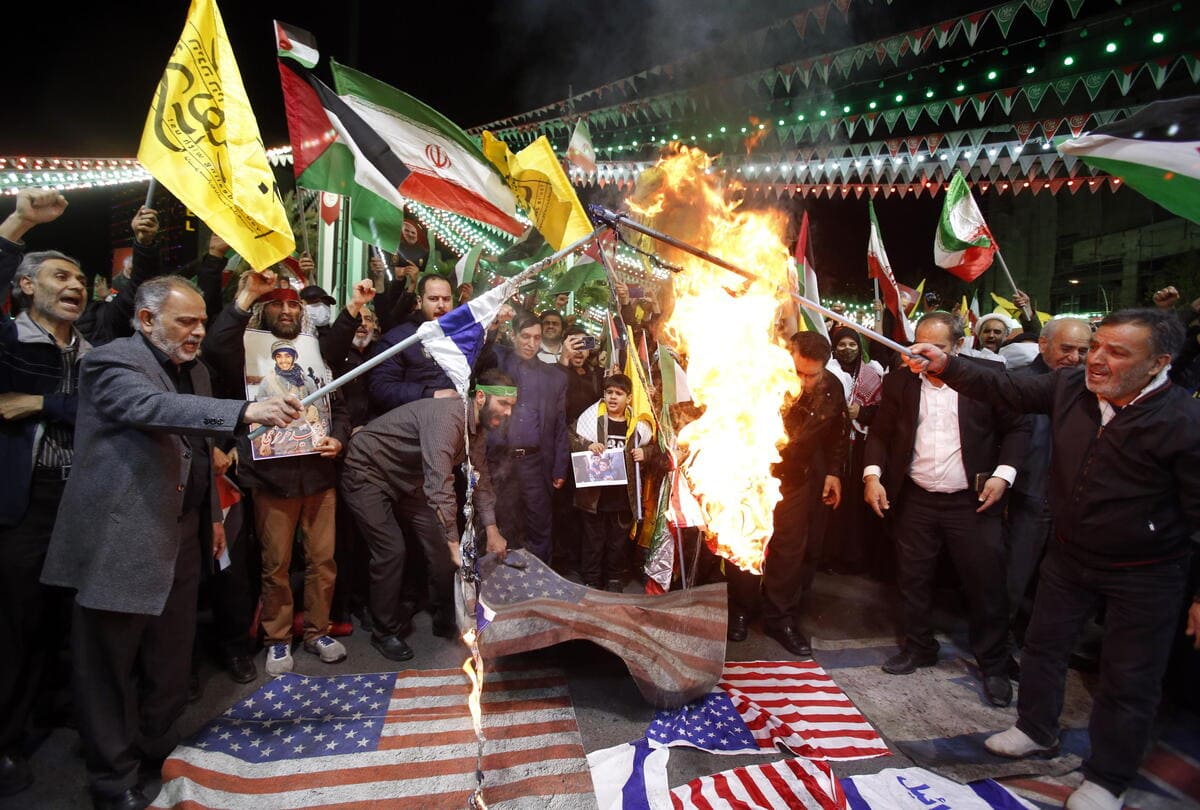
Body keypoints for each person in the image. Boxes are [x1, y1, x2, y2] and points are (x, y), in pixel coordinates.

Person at [904, 308, 1200, 810]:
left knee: (1129, 678)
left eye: (1117, 352)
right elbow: (1006, 390)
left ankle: (1108, 777)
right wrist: (945, 365)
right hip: (1068, 555)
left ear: (1158, 364)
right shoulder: (1071, 388)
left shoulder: (1184, 422)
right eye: (1098, 345)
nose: (1097, 360)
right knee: (1042, 647)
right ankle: (1036, 729)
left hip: (1145, 572)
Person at [40, 276, 301, 810]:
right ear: (146, 320)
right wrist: (242, 411)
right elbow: (147, 407)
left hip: (182, 533)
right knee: (108, 666)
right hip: (121, 535)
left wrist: (208, 519)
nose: (197, 331)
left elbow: (199, 456)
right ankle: (111, 780)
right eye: (186, 321)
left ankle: (152, 746)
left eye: (202, 321)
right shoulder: (111, 362)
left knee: (171, 659)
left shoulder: (198, 371)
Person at [864, 311, 1030, 708]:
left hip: (971, 501)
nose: (923, 355)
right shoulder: (900, 380)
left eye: (936, 348)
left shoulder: (984, 377)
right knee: (913, 578)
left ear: (958, 346)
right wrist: (872, 476)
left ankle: (994, 662)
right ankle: (919, 647)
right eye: (918, 345)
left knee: (985, 583)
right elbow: (881, 433)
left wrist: (1003, 475)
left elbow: (1019, 428)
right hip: (917, 497)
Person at [202, 269, 353, 677]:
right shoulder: (245, 351)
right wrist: (244, 298)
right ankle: (277, 639)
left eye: (293, 304)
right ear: (264, 310)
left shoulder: (316, 354)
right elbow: (214, 347)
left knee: (324, 561)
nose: (286, 310)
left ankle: (318, 631)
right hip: (271, 478)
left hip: (319, 475)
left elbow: (339, 408)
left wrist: (338, 440)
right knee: (276, 565)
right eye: (278, 303)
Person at [0, 189, 85, 798]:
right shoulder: (7, 341)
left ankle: (48, 709)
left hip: (79, 502)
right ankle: (5, 740)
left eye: (81, 277)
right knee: (13, 624)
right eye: (60, 274)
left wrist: (39, 404)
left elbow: (104, 409)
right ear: (26, 285)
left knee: (64, 617)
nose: (75, 284)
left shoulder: (93, 349)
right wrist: (21, 222)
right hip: (23, 503)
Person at [340, 369, 515, 660]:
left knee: (440, 549)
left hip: (408, 479)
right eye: (503, 404)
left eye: (512, 406)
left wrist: (492, 528)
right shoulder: (448, 418)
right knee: (391, 550)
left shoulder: (479, 430)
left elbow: (481, 479)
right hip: (369, 470)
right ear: (481, 397)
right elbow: (439, 483)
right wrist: (452, 542)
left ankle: (445, 617)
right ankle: (384, 631)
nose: (508, 413)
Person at [729, 333, 848, 656]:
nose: (805, 383)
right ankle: (739, 611)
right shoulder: (758, 381)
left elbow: (838, 433)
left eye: (812, 375)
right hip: (752, 477)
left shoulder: (832, 388)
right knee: (746, 545)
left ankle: (779, 619)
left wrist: (834, 472)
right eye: (798, 373)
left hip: (796, 480)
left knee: (789, 552)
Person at [1003, 317, 1092, 642]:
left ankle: (1046, 641)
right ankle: (998, 648)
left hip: (1072, 508)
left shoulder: (1094, 388)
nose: (1075, 358)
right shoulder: (1018, 384)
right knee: (1013, 579)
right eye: (1067, 349)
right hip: (1026, 499)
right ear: (1043, 346)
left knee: (1061, 587)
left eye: (1084, 350)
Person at [480, 310, 569, 562]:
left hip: (535, 462)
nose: (531, 344)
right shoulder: (497, 359)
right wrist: (494, 326)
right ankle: (503, 582)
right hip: (499, 459)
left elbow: (559, 425)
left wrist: (560, 466)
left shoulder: (555, 378)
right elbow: (481, 354)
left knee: (539, 524)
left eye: (537, 337)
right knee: (502, 520)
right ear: (514, 335)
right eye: (525, 336)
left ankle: (539, 582)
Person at [570, 374, 656, 591]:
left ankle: (614, 578)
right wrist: (587, 445)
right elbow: (570, 437)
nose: (613, 397)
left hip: (623, 497)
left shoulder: (639, 426)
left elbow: (657, 448)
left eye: (619, 394)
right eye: (609, 393)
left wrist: (645, 452)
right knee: (593, 540)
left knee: (618, 541)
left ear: (628, 398)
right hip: (595, 497)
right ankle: (592, 578)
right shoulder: (590, 418)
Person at [822, 326, 884, 576]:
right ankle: (829, 555)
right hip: (832, 449)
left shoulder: (871, 375)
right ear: (833, 348)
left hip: (860, 449)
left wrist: (863, 413)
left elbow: (883, 413)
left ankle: (854, 557)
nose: (847, 349)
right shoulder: (827, 374)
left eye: (852, 345)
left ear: (860, 348)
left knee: (855, 506)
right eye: (842, 345)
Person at [366, 273, 456, 415]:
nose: (441, 305)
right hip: (411, 424)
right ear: (420, 301)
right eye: (433, 299)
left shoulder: (457, 337)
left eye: (446, 299)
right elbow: (381, 389)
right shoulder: (399, 339)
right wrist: (429, 394)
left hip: (451, 420)